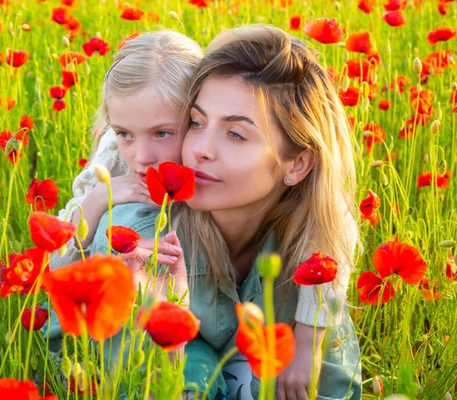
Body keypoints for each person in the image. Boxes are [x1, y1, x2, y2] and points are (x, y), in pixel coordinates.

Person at [89, 24, 362, 400]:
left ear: (297, 165)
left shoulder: (314, 245)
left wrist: (307, 346)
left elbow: (329, 384)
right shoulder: (136, 233)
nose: (199, 148)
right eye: (197, 123)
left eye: (235, 134)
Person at [43, 30, 203, 352]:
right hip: (93, 335)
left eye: (162, 133)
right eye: (125, 133)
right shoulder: (113, 158)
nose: (141, 157)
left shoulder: (215, 163)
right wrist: (99, 197)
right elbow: (54, 266)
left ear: (197, 121)